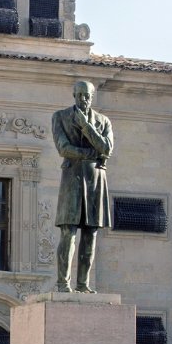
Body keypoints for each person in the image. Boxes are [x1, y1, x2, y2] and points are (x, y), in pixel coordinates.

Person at [52, 79, 113, 293]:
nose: (82, 100)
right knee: (68, 232)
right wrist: (91, 154)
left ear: (91, 97)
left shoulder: (103, 121)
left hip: (96, 180)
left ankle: (83, 284)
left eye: (86, 96)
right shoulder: (60, 117)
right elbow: (63, 147)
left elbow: (106, 148)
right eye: (79, 95)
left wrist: (87, 128)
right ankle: (62, 283)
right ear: (73, 95)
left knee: (91, 233)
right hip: (72, 179)